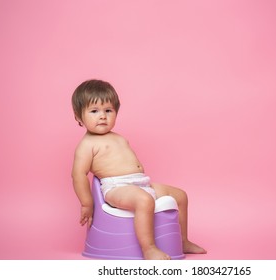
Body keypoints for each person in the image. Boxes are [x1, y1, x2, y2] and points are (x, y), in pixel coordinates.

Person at [71, 79, 206, 260]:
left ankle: (182, 241)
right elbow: (78, 175)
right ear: (79, 116)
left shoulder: (118, 137)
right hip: (116, 188)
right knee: (144, 200)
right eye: (94, 111)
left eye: (108, 111)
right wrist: (87, 203)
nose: (102, 116)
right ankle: (148, 248)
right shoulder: (87, 145)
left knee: (180, 196)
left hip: (141, 183)